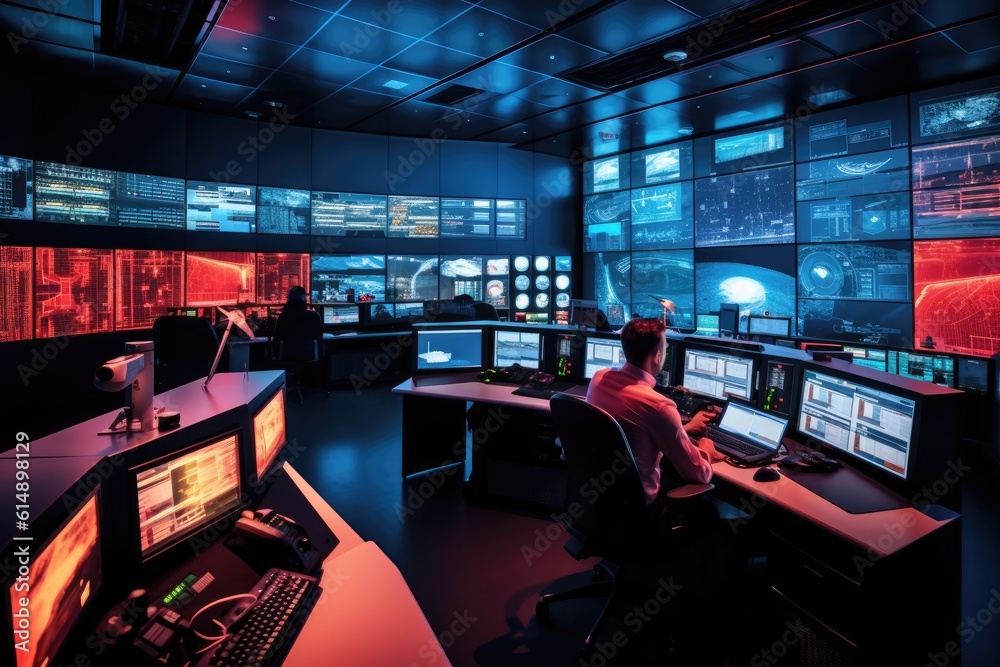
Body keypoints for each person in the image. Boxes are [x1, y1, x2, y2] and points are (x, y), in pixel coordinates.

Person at [586, 317, 723, 509]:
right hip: (638, 506)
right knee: (709, 510)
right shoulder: (658, 406)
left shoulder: (599, 378)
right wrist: (706, 451)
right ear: (658, 356)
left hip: (599, 497)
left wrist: (683, 428)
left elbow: (633, 429)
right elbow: (698, 474)